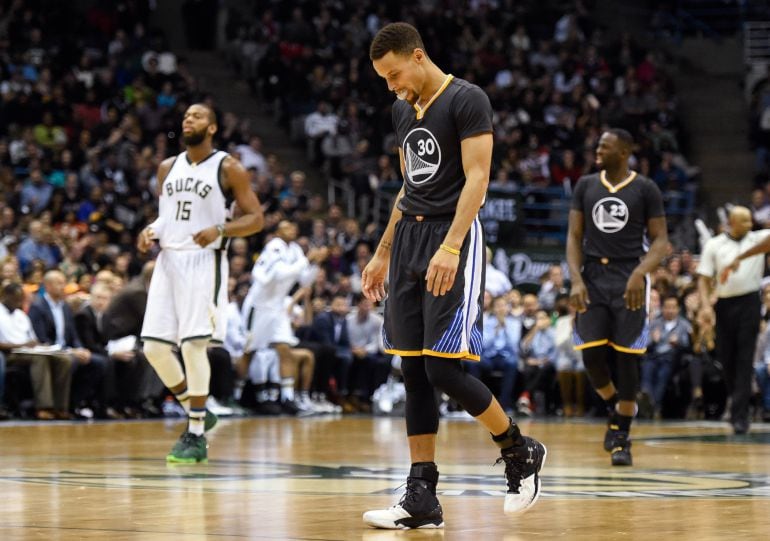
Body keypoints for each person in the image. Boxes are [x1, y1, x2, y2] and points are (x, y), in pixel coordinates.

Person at [361, 22, 546, 530]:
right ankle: (421, 494)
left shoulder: (467, 99)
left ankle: (518, 449)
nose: (391, 85)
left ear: (417, 56)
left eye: (394, 74)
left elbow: (478, 179)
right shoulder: (403, 109)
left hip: (453, 237)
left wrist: (450, 245)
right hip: (409, 241)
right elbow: (408, 186)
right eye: (383, 78)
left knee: (444, 368)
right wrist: (382, 251)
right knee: (413, 371)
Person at [137, 103, 264, 463]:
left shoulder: (228, 167)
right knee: (154, 349)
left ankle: (194, 435)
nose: (187, 120)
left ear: (212, 127)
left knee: (193, 346)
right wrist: (150, 231)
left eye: (196, 116)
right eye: (185, 116)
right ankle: (198, 409)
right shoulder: (167, 168)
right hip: (168, 260)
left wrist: (221, 229)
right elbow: (167, 218)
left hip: (204, 261)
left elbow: (256, 218)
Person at [567, 128, 668, 466]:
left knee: (626, 358)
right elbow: (574, 235)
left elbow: (660, 242)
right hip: (593, 276)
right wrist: (576, 279)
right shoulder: (585, 185)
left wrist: (640, 273)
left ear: (624, 152)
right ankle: (617, 406)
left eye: (605, 146)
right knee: (591, 355)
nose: (598, 149)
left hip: (629, 277)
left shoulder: (645, 188)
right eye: (598, 145)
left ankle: (621, 434)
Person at [240, 220, 327, 414]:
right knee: (249, 351)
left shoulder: (295, 249)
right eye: (287, 227)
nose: (293, 229)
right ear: (278, 231)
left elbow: (304, 281)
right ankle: (236, 396)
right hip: (259, 306)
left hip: (277, 307)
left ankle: (287, 398)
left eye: (294, 227)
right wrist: (307, 260)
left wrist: (315, 263)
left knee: (285, 349)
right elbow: (279, 275)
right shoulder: (274, 247)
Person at [699, 206, 769, 434]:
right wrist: (706, 306)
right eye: (744, 222)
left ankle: (740, 415)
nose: (750, 225)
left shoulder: (757, 238)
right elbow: (703, 279)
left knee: (745, 358)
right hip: (725, 304)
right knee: (726, 357)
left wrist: (741, 257)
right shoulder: (714, 244)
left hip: (749, 303)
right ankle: (737, 401)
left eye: (750, 221)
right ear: (731, 222)